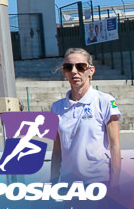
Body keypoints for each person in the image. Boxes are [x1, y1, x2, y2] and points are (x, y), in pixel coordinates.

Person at [50, 48, 121, 187]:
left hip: (99, 182)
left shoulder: (105, 101)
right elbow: (57, 151)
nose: (74, 71)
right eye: (68, 67)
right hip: (68, 185)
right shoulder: (56, 108)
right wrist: (52, 185)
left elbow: (115, 146)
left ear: (91, 70)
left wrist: (114, 186)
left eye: (80, 66)